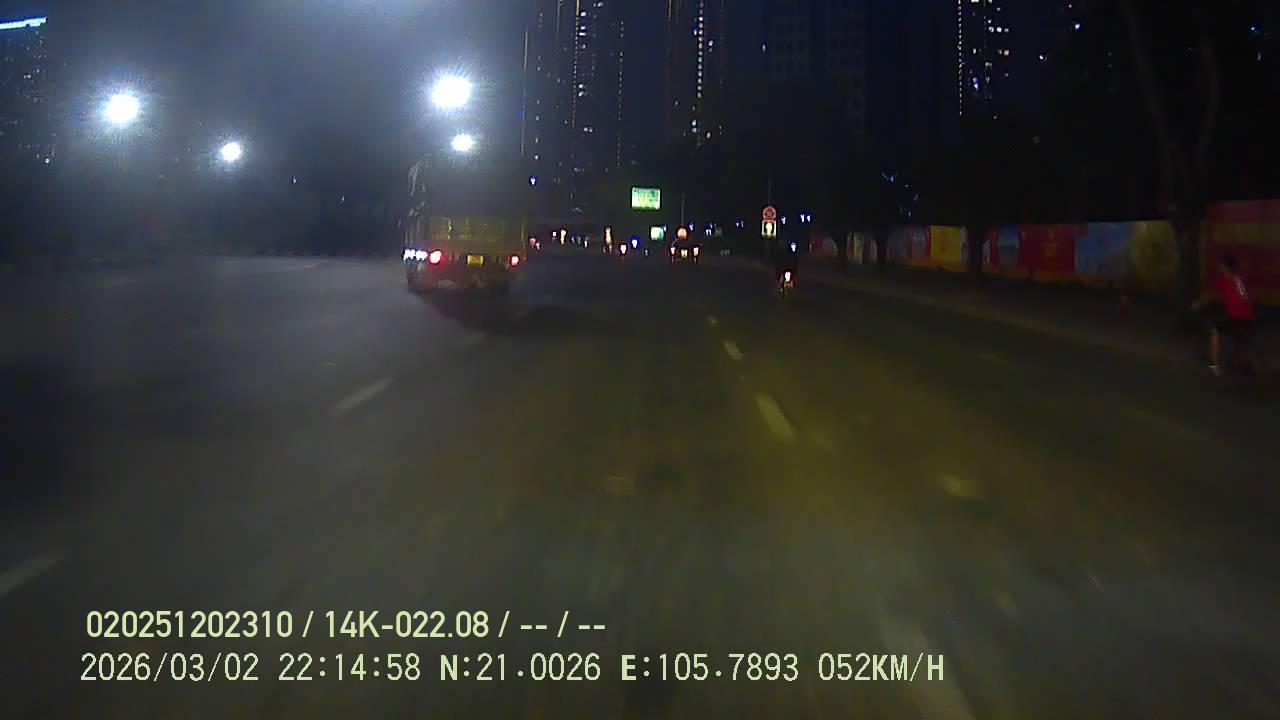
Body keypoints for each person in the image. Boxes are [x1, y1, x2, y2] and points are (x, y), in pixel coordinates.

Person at [1192, 253, 1255, 376]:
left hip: (1236, 316)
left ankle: (1214, 366)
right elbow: (1243, 297)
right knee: (1239, 339)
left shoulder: (1224, 278)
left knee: (1215, 330)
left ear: (1225, 267)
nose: (1220, 267)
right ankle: (1244, 365)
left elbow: (1209, 295)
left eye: (1221, 265)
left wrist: (1197, 305)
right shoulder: (1241, 279)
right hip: (1248, 317)